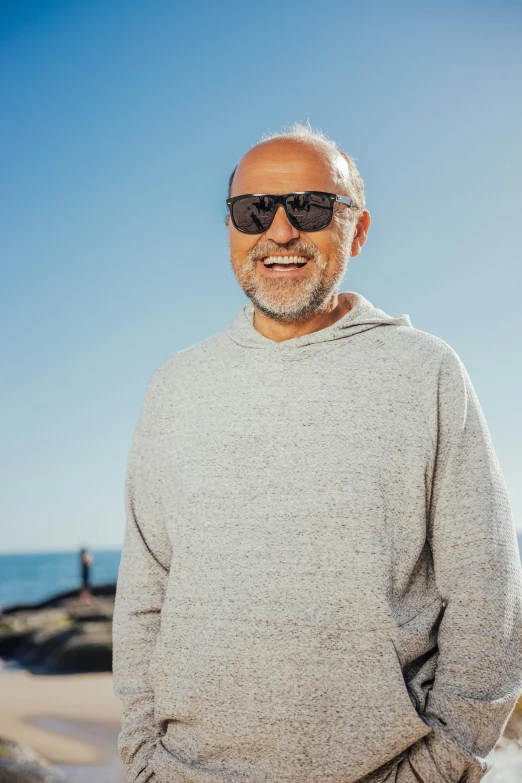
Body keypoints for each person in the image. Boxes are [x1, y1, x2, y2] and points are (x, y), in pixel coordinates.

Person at [112, 123, 522, 783]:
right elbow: (145, 589)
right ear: (231, 232)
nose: (279, 231)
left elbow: (486, 586)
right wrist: (143, 757)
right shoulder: (176, 387)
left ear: (356, 230)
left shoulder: (427, 372)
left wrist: (443, 763)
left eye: (308, 206)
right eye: (254, 211)